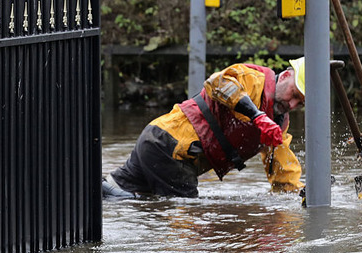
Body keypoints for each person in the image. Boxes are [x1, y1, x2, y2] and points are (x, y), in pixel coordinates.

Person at [102, 58, 307, 199]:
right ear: (287, 75)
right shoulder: (253, 79)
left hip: (159, 144)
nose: (292, 104)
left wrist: (304, 195)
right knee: (188, 221)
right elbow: (217, 82)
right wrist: (256, 114)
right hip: (170, 147)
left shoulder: (278, 125)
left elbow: (284, 176)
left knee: (111, 193)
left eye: (300, 103)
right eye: (295, 94)